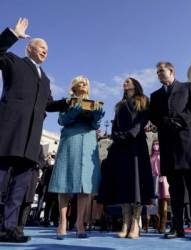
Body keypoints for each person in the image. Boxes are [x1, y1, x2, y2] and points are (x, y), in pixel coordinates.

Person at [0, 18, 67, 243]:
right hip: (9, 134)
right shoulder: (13, 62)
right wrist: (12, 34)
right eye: (41, 48)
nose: (45, 52)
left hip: (31, 140)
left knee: (19, 187)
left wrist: (68, 103)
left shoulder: (46, 79)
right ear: (29, 48)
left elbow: (48, 104)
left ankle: (9, 228)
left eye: (47, 50)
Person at [150, 61, 191, 241]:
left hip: (189, 145)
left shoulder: (188, 87)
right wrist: (165, 122)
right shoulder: (155, 95)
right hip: (169, 147)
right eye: (157, 72)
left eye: (162, 71)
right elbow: (153, 116)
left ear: (171, 71)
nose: (159, 74)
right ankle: (177, 227)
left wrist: (180, 121)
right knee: (175, 192)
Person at [48, 76, 104, 239]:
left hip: (88, 142)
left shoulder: (94, 104)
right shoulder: (67, 102)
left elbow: (95, 126)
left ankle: (80, 222)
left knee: (85, 185)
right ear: (74, 87)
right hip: (70, 141)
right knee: (64, 181)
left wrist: (97, 116)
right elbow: (62, 120)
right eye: (81, 82)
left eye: (86, 82)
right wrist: (74, 111)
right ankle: (62, 222)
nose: (84, 84)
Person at [98, 77, 154, 239]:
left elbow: (142, 120)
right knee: (123, 183)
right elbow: (115, 124)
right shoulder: (119, 104)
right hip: (121, 147)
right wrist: (117, 136)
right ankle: (125, 221)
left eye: (128, 81)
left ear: (135, 84)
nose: (125, 83)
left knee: (136, 183)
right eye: (124, 82)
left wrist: (131, 134)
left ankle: (135, 222)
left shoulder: (143, 100)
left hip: (136, 145)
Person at [150, 139, 170, 233]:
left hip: (162, 178)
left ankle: (163, 225)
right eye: (154, 144)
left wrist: (163, 174)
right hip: (154, 179)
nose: (155, 146)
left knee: (163, 202)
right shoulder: (151, 156)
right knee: (155, 203)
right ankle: (156, 224)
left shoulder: (162, 154)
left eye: (157, 144)